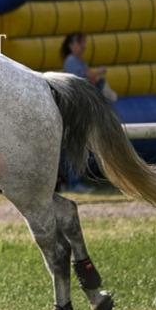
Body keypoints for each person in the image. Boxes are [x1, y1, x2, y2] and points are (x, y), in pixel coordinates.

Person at [60, 32, 99, 193]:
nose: (83, 45)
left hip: (79, 108)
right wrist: (97, 73)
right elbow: (80, 80)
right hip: (73, 109)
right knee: (74, 146)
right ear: (71, 45)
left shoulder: (79, 61)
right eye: (79, 42)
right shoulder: (71, 61)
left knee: (77, 146)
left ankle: (73, 181)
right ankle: (74, 183)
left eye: (84, 42)